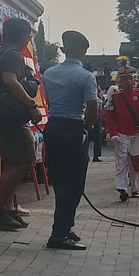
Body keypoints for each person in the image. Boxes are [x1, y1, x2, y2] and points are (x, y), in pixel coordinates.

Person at [0, 17, 41, 231]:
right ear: (25, 37)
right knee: (23, 160)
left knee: (11, 161)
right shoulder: (13, 55)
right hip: (10, 117)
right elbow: (10, 80)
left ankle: (8, 208)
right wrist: (31, 105)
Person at [40, 31, 99, 250]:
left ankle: (65, 226)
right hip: (73, 128)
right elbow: (93, 109)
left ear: (63, 50)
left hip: (53, 126)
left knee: (60, 180)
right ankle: (59, 234)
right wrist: (87, 126)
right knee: (73, 184)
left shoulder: (49, 73)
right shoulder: (86, 76)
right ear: (84, 51)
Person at [104, 66, 139, 202]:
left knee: (135, 163)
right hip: (122, 135)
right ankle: (121, 188)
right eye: (124, 78)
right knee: (122, 162)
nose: (128, 81)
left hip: (137, 133)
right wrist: (113, 133)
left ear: (134, 80)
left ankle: (134, 188)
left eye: (130, 78)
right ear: (120, 81)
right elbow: (109, 117)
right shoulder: (115, 98)